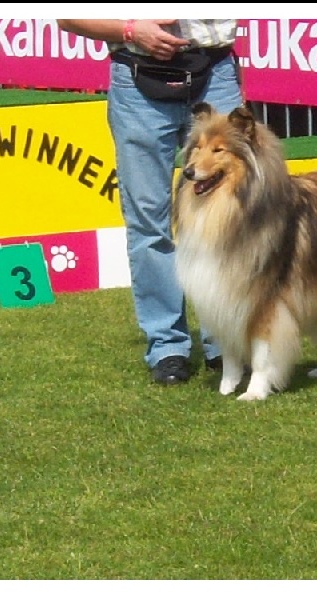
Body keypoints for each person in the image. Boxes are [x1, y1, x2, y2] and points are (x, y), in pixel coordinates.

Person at [56, 19, 243, 384]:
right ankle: (168, 347)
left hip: (214, 69)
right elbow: (68, 17)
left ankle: (225, 341)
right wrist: (129, 31)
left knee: (228, 221)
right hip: (137, 75)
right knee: (148, 221)